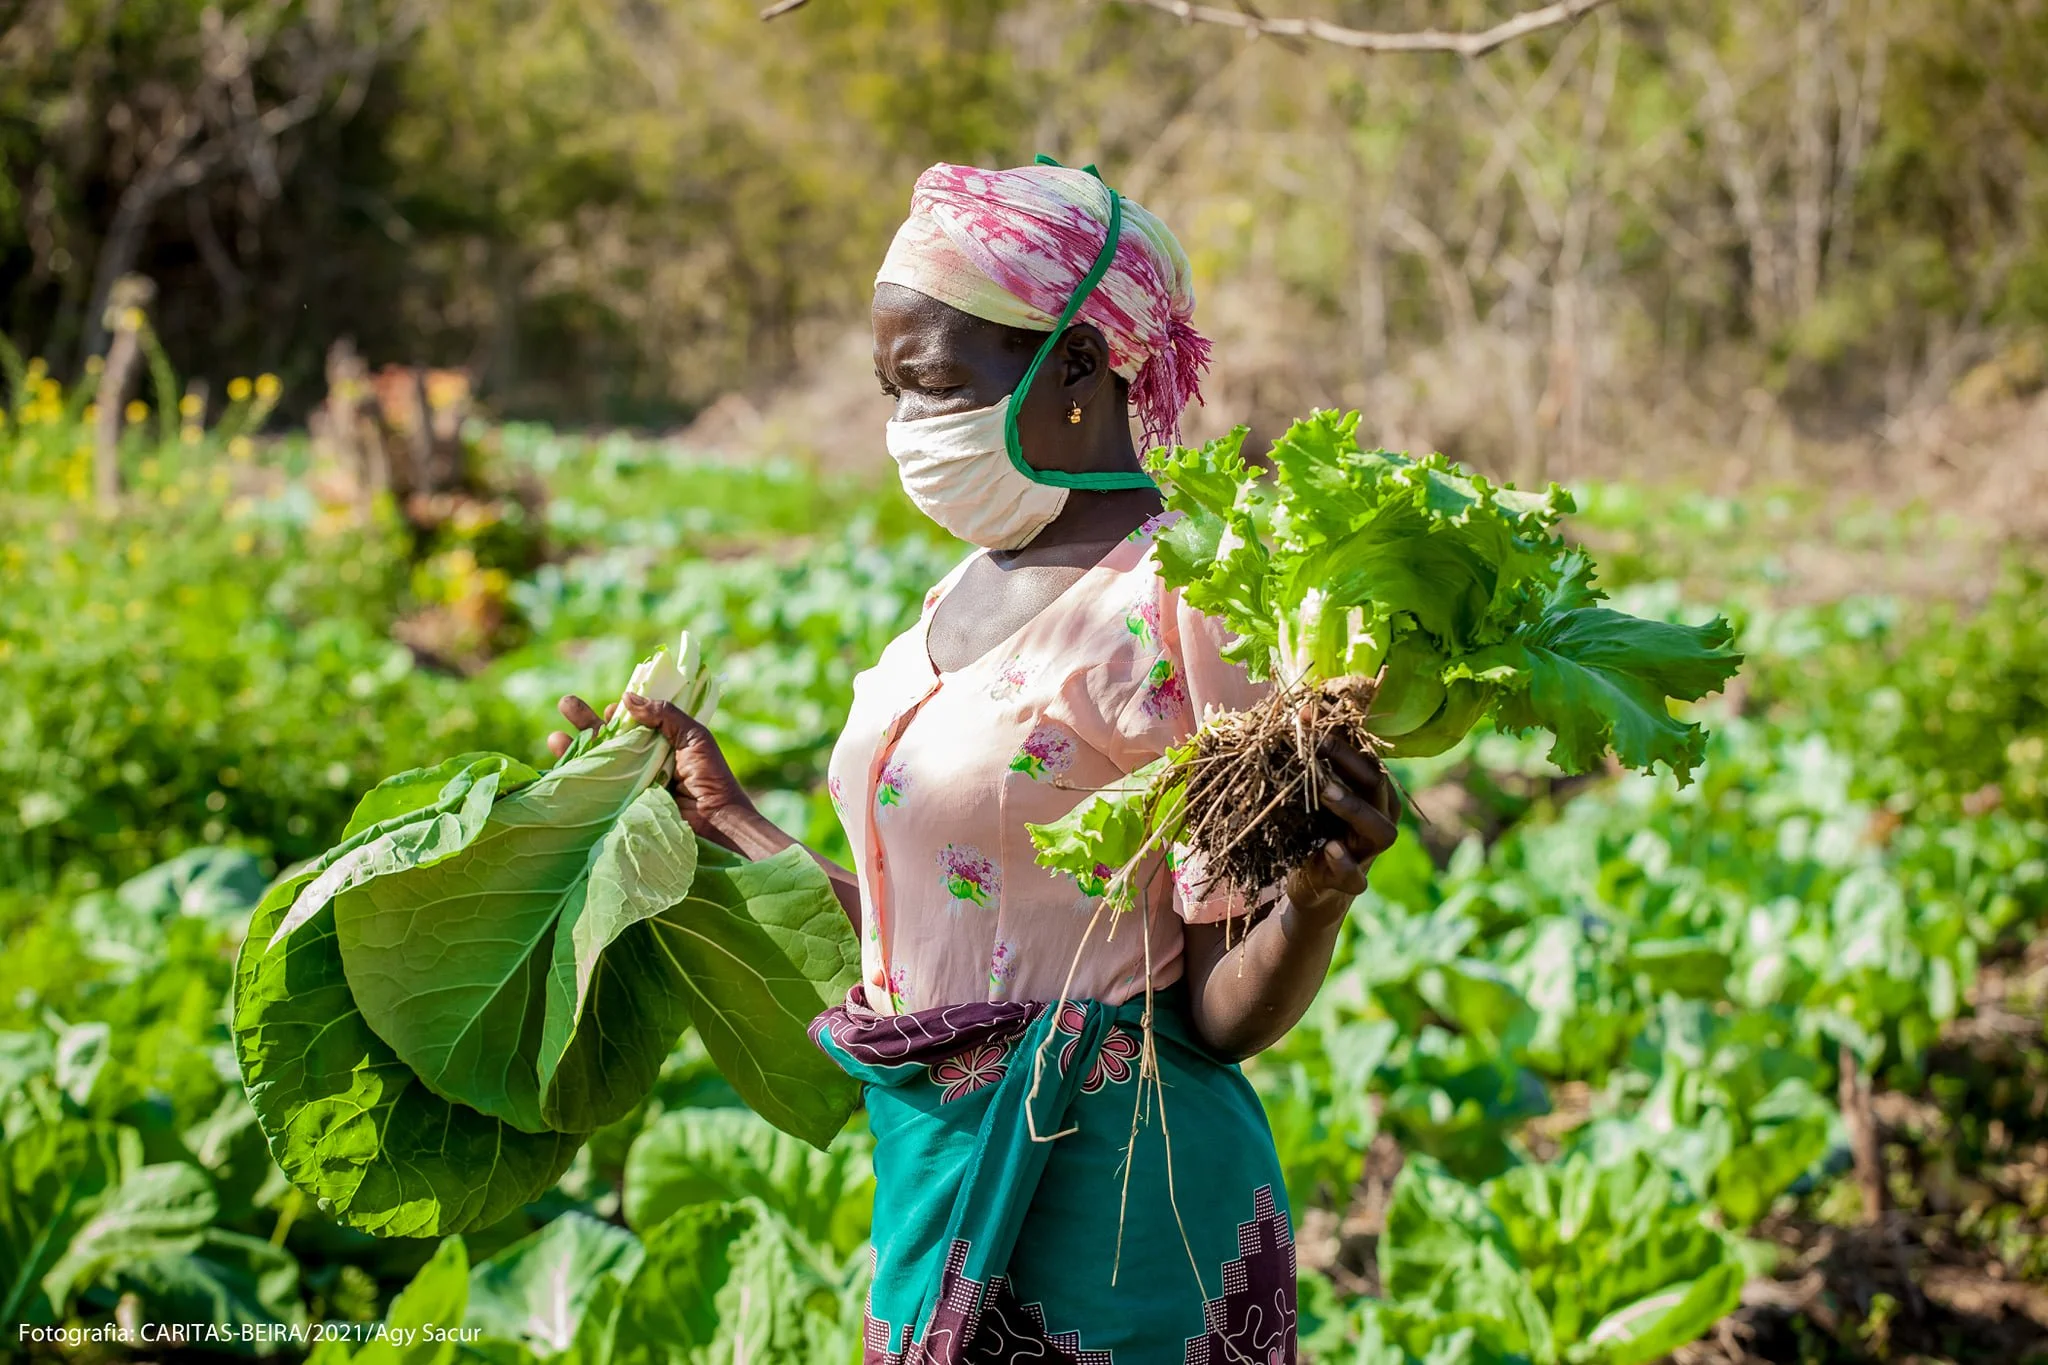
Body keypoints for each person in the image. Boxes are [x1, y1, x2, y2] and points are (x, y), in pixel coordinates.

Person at [551, 158, 1398, 1365]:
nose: (908, 425)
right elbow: (940, 952)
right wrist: (726, 818)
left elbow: (1212, 1013)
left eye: (937, 383)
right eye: (892, 388)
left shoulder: (1188, 602)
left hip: (1117, 1208)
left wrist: (1314, 900)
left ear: (1074, 364)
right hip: (938, 1174)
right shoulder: (960, 589)